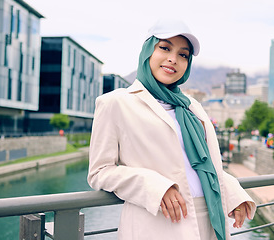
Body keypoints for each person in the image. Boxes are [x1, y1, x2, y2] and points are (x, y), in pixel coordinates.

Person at [88, 18, 256, 240]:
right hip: (157, 223)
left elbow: (200, 164)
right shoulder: (115, 103)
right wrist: (153, 186)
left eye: (183, 55)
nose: (172, 59)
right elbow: (100, 172)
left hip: (208, 219)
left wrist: (231, 190)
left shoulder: (192, 106)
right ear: (148, 51)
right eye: (165, 48)